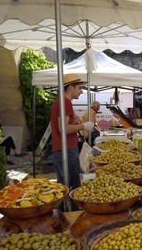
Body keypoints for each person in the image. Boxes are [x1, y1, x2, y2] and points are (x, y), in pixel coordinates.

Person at [51, 74, 95, 211]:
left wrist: (75, 120)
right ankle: (71, 215)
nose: (82, 91)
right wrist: (84, 126)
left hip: (62, 150)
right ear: (70, 88)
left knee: (63, 185)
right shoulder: (65, 103)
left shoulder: (60, 102)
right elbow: (64, 129)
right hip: (67, 150)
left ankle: (61, 215)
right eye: (80, 88)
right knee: (72, 185)